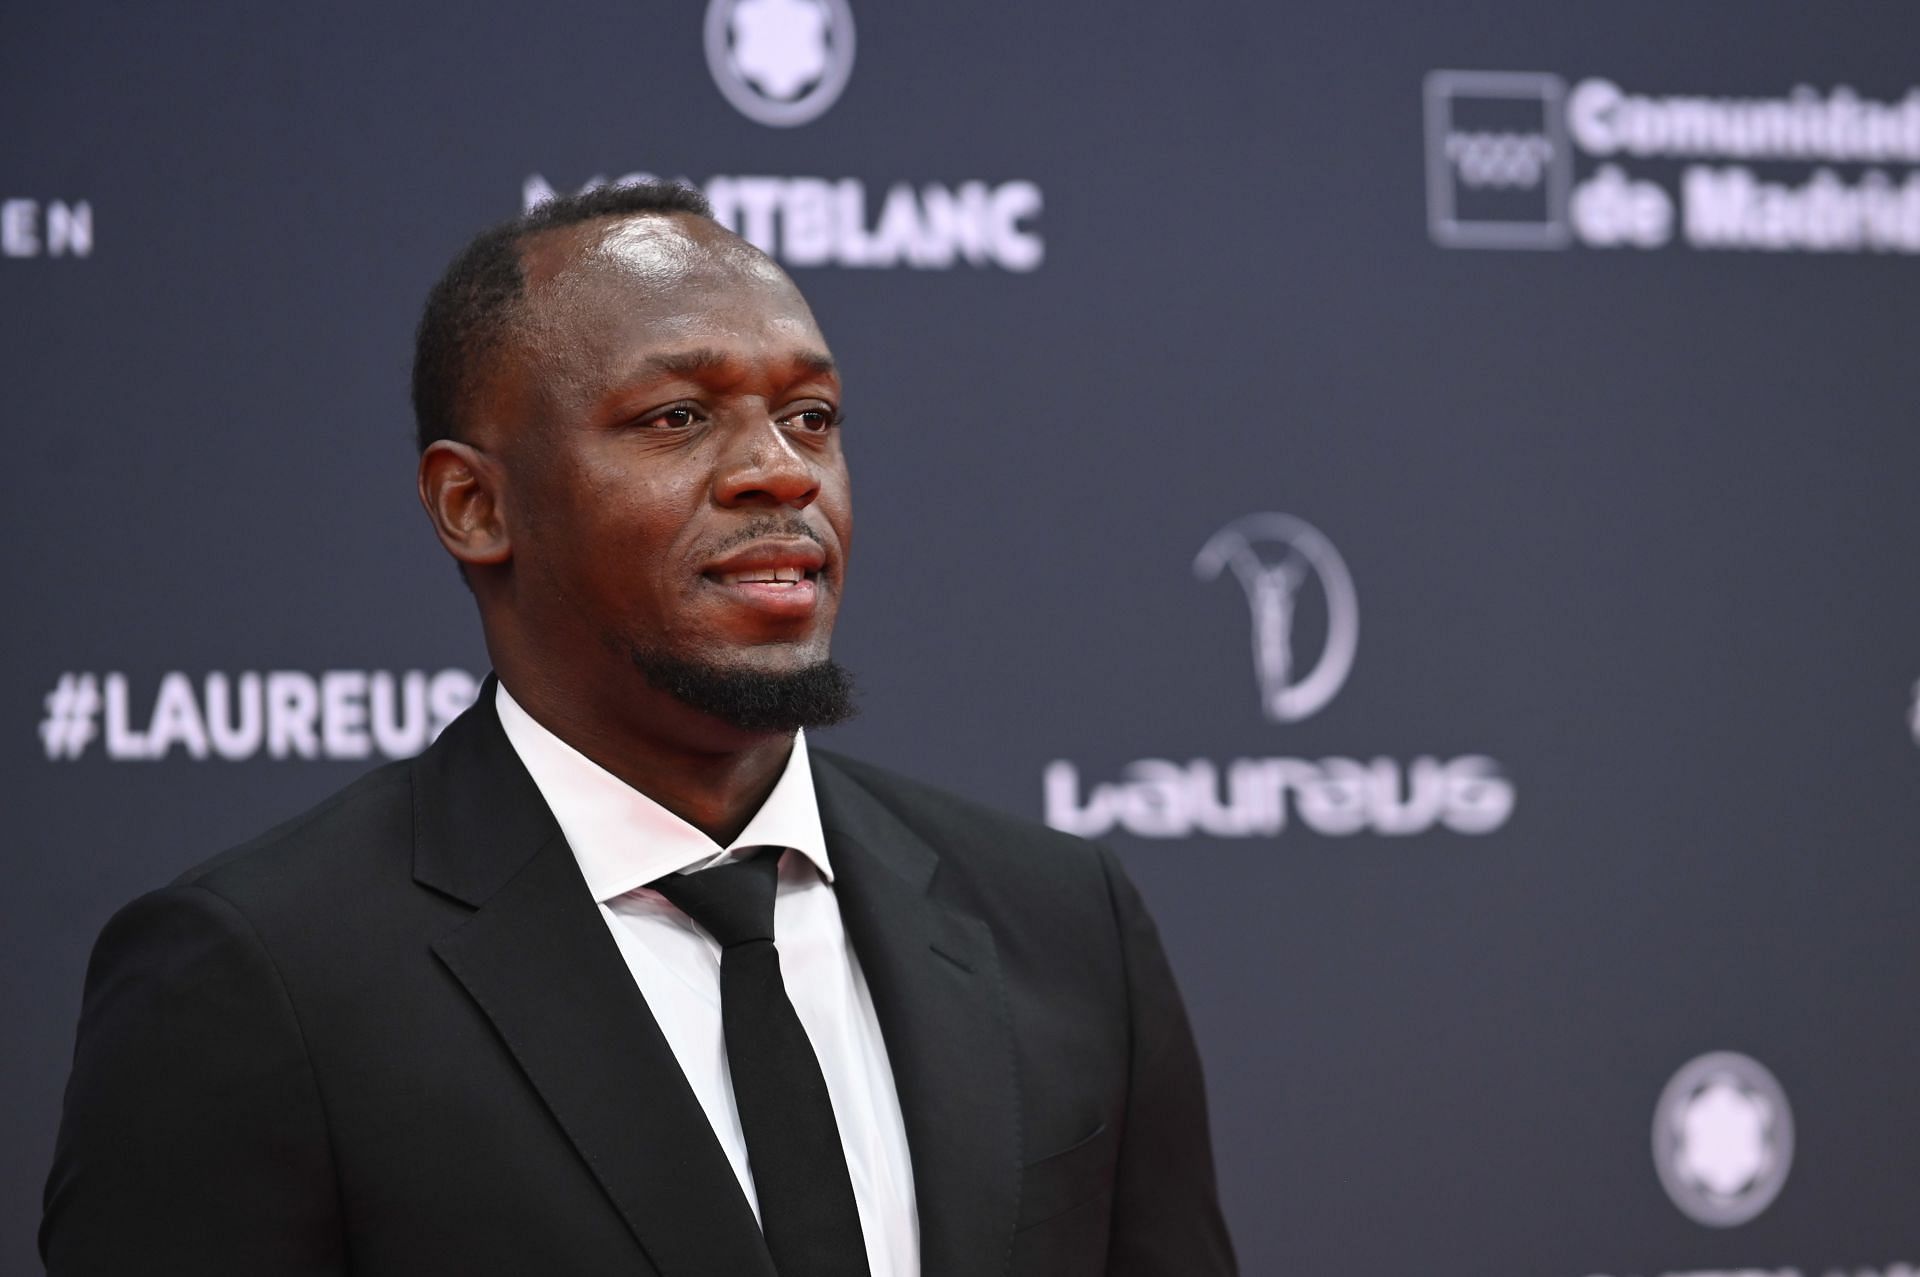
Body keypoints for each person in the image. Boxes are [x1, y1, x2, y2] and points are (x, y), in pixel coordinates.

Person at [41, 182, 1237, 1277]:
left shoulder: (1061, 919)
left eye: (812, 416)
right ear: (475, 505)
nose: (781, 473)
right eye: (676, 417)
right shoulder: (262, 977)